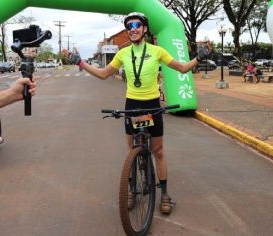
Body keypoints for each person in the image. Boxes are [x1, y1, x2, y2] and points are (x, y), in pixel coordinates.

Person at [63, 12, 211, 215]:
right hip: (132, 105)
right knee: (131, 148)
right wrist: (80, 62)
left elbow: (183, 68)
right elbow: (104, 74)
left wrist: (199, 57)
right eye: (129, 26)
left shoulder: (157, 51)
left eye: (136, 25)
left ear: (145, 29)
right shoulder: (122, 54)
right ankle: (132, 189)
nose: (132, 29)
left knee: (158, 151)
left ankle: (165, 193)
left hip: (152, 105)